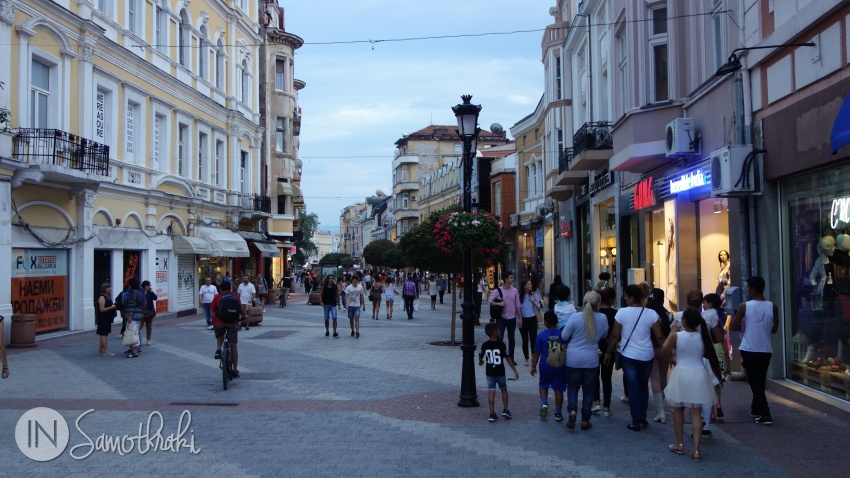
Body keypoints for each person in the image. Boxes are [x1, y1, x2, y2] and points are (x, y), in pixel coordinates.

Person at [603, 284, 665, 432]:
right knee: (643, 386)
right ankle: (642, 417)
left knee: (633, 387)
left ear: (631, 297)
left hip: (629, 355)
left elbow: (615, 335)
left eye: (625, 295)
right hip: (647, 355)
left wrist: (607, 352)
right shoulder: (651, 314)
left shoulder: (622, 313)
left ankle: (635, 420)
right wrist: (670, 353)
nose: (624, 298)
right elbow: (660, 336)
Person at [662, 307, 722, 461]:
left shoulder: (677, 336)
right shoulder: (703, 337)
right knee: (696, 412)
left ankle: (680, 444)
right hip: (698, 373)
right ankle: (696, 450)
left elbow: (665, 349)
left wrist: (672, 330)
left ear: (684, 321)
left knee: (678, 409)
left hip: (681, 373)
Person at [730, 276, 779, 426]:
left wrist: (744, 324)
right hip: (765, 348)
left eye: (748, 287)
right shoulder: (773, 306)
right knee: (760, 379)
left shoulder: (745, 306)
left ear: (752, 288)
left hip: (750, 347)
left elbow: (733, 325)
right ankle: (755, 408)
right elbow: (775, 329)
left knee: (754, 381)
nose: (747, 290)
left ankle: (765, 413)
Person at [562, 291, 609, 431]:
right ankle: (585, 419)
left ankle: (572, 411)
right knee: (589, 390)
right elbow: (605, 334)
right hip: (591, 359)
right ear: (598, 304)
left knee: (572, 387)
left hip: (573, 358)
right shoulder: (602, 318)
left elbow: (564, 336)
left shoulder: (575, 317)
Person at [479, 322, 519, 422]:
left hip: (489, 372)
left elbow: (480, 354)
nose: (500, 332)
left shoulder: (485, 345)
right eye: (498, 330)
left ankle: (492, 413)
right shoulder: (501, 345)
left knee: (491, 391)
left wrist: (481, 361)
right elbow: (507, 358)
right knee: (503, 389)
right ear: (495, 332)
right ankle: (505, 409)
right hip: (500, 371)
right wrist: (514, 369)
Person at [531, 311, 567, 421]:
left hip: (545, 364)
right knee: (558, 388)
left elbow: (536, 353)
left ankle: (544, 402)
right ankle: (558, 412)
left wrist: (533, 366)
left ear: (546, 322)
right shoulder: (562, 334)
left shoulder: (541, 335)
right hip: (559, 365)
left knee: (543, 384)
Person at [646, 288, 672, 424]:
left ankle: (660, 411)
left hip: (650, 348)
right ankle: (663, 407)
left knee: (654, 378)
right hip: (664, 348)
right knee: (663, 377)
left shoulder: (647, 313)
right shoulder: (667, 314)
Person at [594, 287, 618, 416]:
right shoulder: (616, 313)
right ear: (611, 299)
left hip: (595, 347)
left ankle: (596, 401)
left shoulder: (594, 313)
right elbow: (617, 334)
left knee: (594, 375)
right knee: (607, 377)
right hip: (610, 348)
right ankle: (607, 407)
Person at [489, 271, 522, 360]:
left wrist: (520, 319)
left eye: (512, 277)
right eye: (511, 277)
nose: (513, 279)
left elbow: (518, 306)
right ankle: (500, 356)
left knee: (511, 339)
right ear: (506, 279)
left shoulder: (515, 291)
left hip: (512, 318)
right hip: (502, 318)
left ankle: (511, 357)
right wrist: (499, 304)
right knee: (500, 338)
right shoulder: (498, 290)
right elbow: (490, 302)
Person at [211, 281, 240, 378]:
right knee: (233, 345)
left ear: (221, 288)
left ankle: (218, 350)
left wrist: (214, 325)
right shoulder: (235, 296)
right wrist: (243, 317)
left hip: (219, 323)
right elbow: (240, 308)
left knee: (219, 334)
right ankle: (235, 370)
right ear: (230, 287)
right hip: (232, 324)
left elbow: (213, 311)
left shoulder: (217, 297)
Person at [518, 278, 543, 366]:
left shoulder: (534, 295)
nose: (530, 285)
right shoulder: (519, 296)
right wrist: (519, 320)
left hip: (532, 319)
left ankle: (533, 356)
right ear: (524, 286)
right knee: (525, 339)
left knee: (533, 339)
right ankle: (527, 358)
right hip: (523, 319)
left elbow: (539, 306)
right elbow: (517, 309)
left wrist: (534, 302)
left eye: (531, 284)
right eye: (529, 284)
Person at [123, 277, 146, 358]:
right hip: (137, 314)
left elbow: (132, 304)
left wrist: (130, 315)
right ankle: (135, 350)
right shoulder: (139, 292)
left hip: (133, 315)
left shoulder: (134, 292)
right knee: (134, 331)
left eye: (129, 283)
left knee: (133, 332)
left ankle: (134, 351)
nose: (128, 284)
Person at [96, 283, 119, 356]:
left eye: (110, 287)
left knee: (104, 333)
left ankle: (100, 350)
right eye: (108, 287)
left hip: (107, 317)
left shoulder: (107, 297)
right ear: (104, 289)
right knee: (104, 334)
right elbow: (101, 309)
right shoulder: (102, 297)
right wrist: (112, 307)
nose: (110, 289)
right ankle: (106, 350)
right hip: (103, 318)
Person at [140, 280, 158, 346]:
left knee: (149, 326)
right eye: (148, 286)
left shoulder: (150, 293)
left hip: (150, 311)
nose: (149, 287)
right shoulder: (141, 293)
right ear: (144, 286)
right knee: (140, 325)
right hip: (142, 311)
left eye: (150, 285)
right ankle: (137, 339)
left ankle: (148, 339)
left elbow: (155, 298)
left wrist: (151, 291)